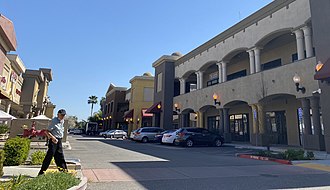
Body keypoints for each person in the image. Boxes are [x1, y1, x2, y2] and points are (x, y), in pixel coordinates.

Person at [38, 109, 68, 175]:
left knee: (60, 156)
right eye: (62, 115)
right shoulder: (54, 121)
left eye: (64, 115)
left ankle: (64, 172)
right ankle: (41, 173)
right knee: (49, 156)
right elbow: (47, 131)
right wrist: (53, 138)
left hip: (59, 140)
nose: (63, 116)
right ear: (58, 114)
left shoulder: (62, 121)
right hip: (53, 140)